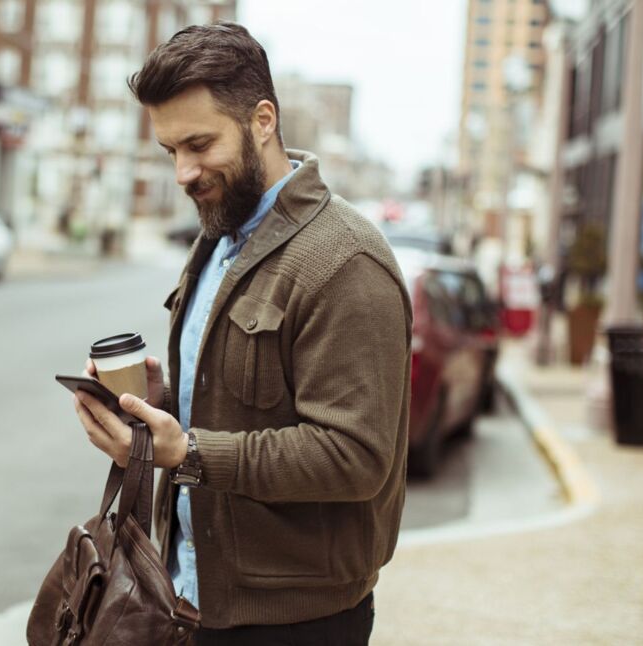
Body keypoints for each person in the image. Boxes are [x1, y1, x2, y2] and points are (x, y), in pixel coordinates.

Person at [72, 22, 412, 645]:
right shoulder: (220, 238)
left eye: (199, 144)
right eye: (170, 150)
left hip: (295, 624)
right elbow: (243, 406)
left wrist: (188, 453)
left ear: (262, 120)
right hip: (192, 598)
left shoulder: (346, 260)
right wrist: (163, 405)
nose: (183, 172)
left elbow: (355, 457)